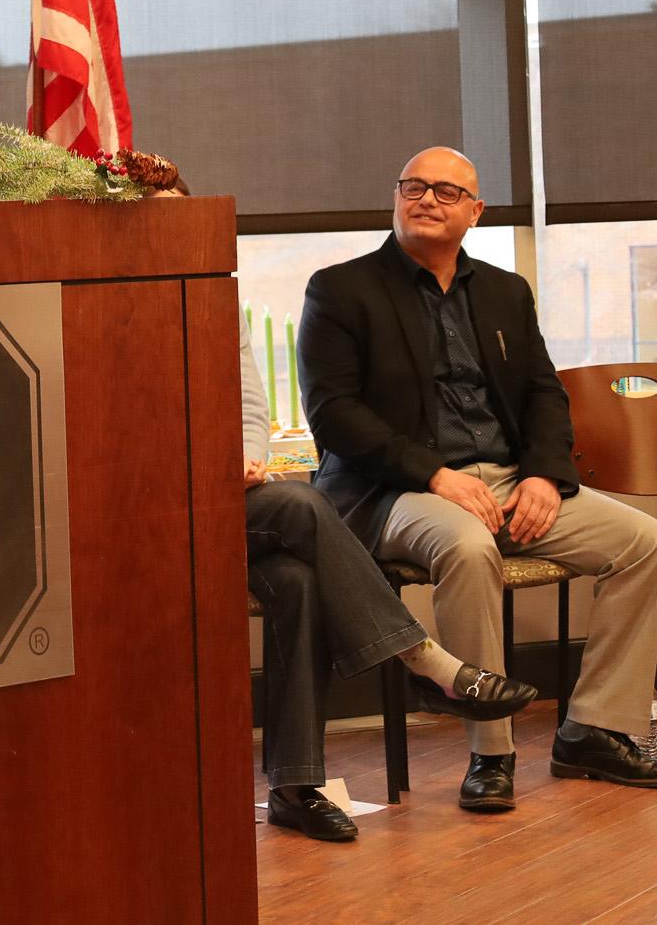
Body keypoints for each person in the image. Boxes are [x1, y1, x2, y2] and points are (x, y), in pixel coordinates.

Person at [300, 146, 657, 813]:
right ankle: (489, 751)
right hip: (394, 491)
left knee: (644, 541)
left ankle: (593, 727)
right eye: (412, 186)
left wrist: (545, 478)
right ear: (395, 195)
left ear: (474, 210)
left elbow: (543, 397)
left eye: (444, 189)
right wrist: (433, 472)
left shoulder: (502, 290)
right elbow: (333, 414)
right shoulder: (340, 289)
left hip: (508, 481)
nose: (425, 198)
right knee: (467, 545)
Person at [239, 315, 534, 841]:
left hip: (229, 498)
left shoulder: (214, 295)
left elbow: (247, 405)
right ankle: (422, 661)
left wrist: (248, 455)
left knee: (298, 581)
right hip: (149, 497)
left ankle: (293, 786)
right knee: (304, 504)